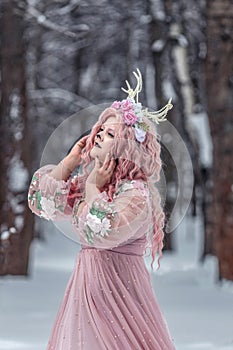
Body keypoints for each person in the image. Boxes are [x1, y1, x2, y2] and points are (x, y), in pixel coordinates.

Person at [28, 69, 176, 349]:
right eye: (100, 130)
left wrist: (94, 188)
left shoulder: (135, 193)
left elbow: (102, 231)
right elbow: (42, 203)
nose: (98, 136)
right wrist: (70, 163)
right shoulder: (94, 183)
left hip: (121, 295)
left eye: (110, 134)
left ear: (126, 147)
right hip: (86, 293)